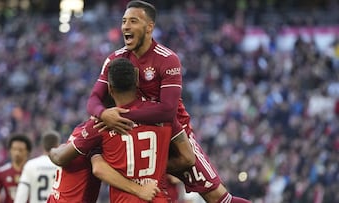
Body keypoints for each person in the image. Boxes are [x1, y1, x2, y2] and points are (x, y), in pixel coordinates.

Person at [86, 1, 251, 203]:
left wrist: (119, 115)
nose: (126, 27)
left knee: (219, 198)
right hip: (136, 137)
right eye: (124, 21)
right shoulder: (116, 59)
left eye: (133, 21)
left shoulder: (167, 59)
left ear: (149, 27)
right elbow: (93, 99)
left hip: (174, 137)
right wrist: (103, 114)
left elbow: (167, 111)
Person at [49, 58, 185, 202]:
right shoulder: (164, 115)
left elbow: (92, 167)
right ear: (137, 83)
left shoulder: (101, 125)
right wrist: (158, 168)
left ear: (110, 88)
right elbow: (187, 159)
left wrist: (52, 149)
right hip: (158, 197)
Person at [14, 130, 60, 203]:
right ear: (58, 145)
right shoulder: (61, 166)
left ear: (42, 145)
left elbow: (21, 195)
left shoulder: (31, 165)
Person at [0, 134, 32, 203]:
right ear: (9, 151)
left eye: (20, 150)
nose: (17, 153)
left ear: (27, 152)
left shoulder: (33, 171)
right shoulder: (2, 172)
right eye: (14, 149)